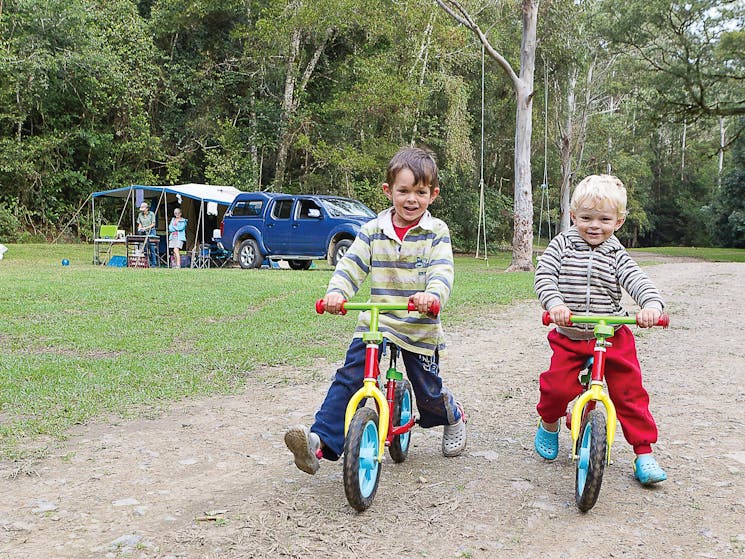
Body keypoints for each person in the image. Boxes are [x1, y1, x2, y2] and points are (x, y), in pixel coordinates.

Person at [284, 146, 467, 474]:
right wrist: (337, 293)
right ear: (388, 191)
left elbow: (442, 271)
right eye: (404, 191)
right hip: (377, 320)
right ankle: (319, 444)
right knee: (350, 375)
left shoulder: (436, 232)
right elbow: (351, 265)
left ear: (433, 194)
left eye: (420, 192)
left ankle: (452, 414)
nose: (411, 199)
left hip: (417, 323)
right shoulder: (372, 230)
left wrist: (432, 295)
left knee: (427, 390)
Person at [533, 174, 667, 485]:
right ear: (573, 216)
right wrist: (555, 305)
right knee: (556, 387)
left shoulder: (616, 252)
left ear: (618, 221)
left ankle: (643, 452)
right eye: (586, 218)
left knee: (629, 393)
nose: (595, 226)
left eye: (604, 219)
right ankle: (550, 421)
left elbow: (637, 280)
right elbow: (545, 276)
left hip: (611, 334)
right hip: (571, 334)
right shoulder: (562, 244)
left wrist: (651, 306)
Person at [136, 201, 159, 268]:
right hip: (144, 232)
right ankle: (146, 263)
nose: (143, 211)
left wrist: (146, 227)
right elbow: (139, 223)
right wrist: (140, 228)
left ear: (147, 208)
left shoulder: (151, 214)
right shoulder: (140, 215)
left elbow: (153, 224)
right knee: (145, 248)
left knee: (152, 247)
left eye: (143, 209)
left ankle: (154, 264)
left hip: (151, 231)